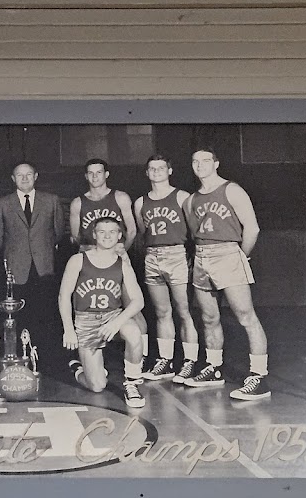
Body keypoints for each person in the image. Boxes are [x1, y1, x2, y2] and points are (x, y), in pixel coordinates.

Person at [183, 148, 270, 399]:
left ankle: (259, 376)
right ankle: (214, 367)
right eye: (195, 161)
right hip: (202, 256)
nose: (200, 165)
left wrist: (241, 255)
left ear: (216, 163)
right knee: (209, 317)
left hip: (228, 253)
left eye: (205, 160)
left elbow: (252, 228)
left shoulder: (232, 190)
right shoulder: (190, 200)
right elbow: (194, 232)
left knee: (245, 316)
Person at [59, 217, 146, 409]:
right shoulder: (78, 260)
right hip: (86, 320)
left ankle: (132, 383)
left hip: (113, 316)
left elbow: (138, 300)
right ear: (94, 235)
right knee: (97, 386)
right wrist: (69, 329)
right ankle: (78, 369)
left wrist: (117, 322)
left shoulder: (122, 264)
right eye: (102, 232)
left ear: (119, 235)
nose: (107, 236)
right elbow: (64, 296)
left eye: (112, 232)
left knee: (134, 332)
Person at [69, 157, 149, 366]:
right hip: (91, 259)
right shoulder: (78, 203)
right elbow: (76, 236)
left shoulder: (120, 197)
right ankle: (89, 354)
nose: (95, 176)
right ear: (86, 176)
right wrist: (93, 251)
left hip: (117, 256)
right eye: (91, 173)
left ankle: (142, 358)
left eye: (99, 172)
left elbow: (132, 230)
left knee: (133, 308)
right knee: (88, 304)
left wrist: (119, 251)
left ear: (107, 174)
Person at [0, 162, 65, 365]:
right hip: (16, 267)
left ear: (36, 176)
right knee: (19, 315)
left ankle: (44, 359)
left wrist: (42, 249)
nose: (24, 178)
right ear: (13, 179)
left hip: (44, 267)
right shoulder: (2, 203)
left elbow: (58, 232)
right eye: (20, 175)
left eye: (28, 174)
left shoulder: (51, 200)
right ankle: (19, 358)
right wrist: (17, 252)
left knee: (45, 313)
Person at [134, 154, 200, 384]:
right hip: (153, 256)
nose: (156, 172)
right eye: (152, 168)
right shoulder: (140, 202)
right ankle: (166, 361)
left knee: (184, 311)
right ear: (147, 173)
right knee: (162, 312)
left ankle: (190, 361)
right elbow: (143, 232)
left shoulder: (182, 196)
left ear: (170, 171)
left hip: (177, 254)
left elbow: (194, 229)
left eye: (161, 168)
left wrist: (190, 255)